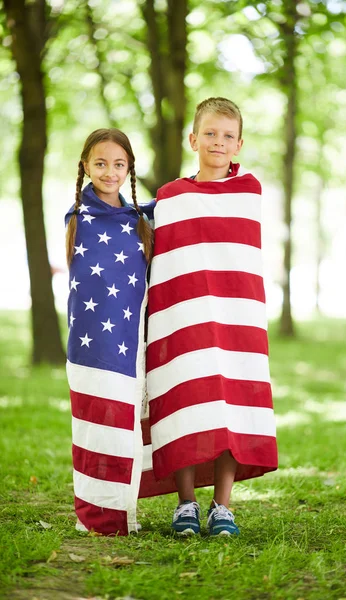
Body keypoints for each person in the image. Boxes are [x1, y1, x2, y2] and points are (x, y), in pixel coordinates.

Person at [146, 98, 278, 536]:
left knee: (231, 405)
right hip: (181, 316)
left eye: (226, 136)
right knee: (184, 399)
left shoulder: (249, 191)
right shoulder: (170, 197)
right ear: (193, 139)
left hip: (235, 318)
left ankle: (223, 506)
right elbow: (158, 255)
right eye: (209, 133)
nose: (217, 142)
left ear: (239, 144)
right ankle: (186, 503)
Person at [65, 128, 154, 535]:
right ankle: (97, 513)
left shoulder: (141, 221)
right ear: (85, 165)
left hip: (129, 342)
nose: (110, 171)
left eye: (119, 164)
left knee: (124, 425)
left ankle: (122, 511)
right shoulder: (77, 219)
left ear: (130, 168)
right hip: (90, 346)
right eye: (100, 163)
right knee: (93, 425)